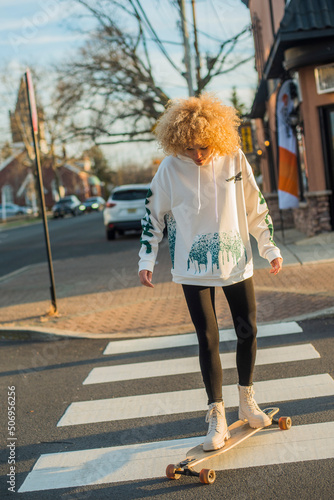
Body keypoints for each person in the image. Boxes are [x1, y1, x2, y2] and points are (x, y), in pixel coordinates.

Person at [138, 94, 283, 452]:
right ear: (177, 142)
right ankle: (216, 414)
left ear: (215, 137)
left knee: (248, 329)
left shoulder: (233, 157)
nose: (197, 155)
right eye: (189, 148)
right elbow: (152, 216)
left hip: (236, 262)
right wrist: (146, 260)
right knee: (208, 338)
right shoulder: (170, 169)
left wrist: (269, 247)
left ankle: (247, 400)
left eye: (203, 147)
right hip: (191, 268)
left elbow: (255, 205)